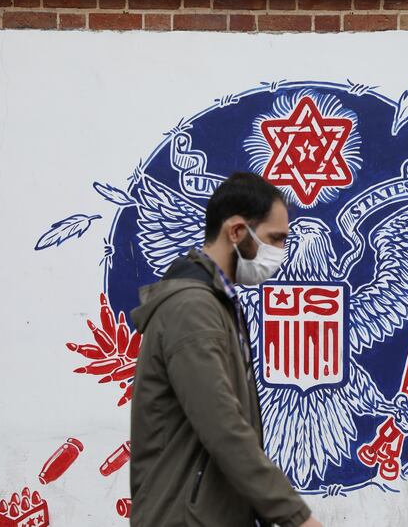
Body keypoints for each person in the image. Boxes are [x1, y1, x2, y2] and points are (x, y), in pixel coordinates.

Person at [129, 172, 322, 527]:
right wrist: (298, 517)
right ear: (236, 232)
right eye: (274, 239)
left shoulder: (216, 304)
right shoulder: (193, 309)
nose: (280, 253)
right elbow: (223, 425)